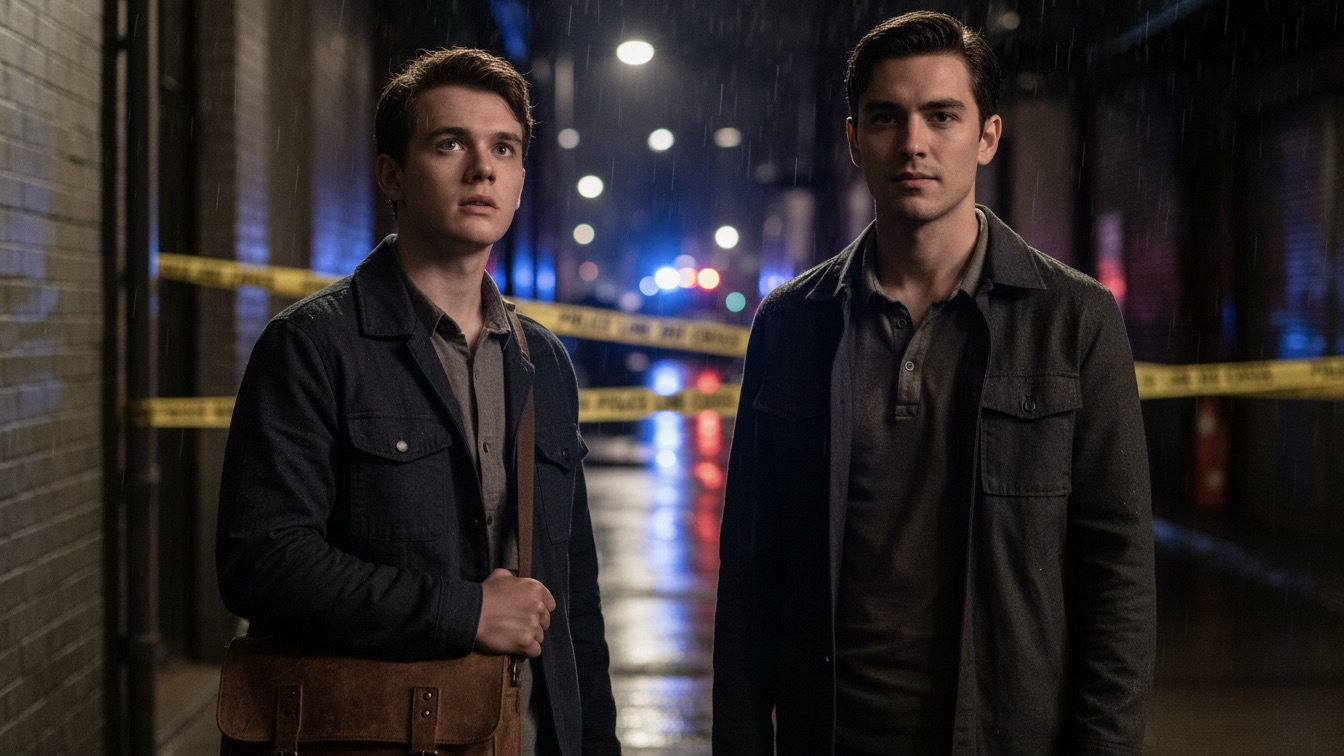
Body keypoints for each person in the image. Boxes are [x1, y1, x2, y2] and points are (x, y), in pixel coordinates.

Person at [713, 11, 1154, 756]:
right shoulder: (791, 325)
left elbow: (1118, 574)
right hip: (834, 735)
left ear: (986, 136)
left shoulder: (1074, 319)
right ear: (855, 140)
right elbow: (750, 577)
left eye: (942, 116)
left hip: (1006, 735)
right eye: (887, 118)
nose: (913, 143)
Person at [217, 47, 621, 756]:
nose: (482, 169)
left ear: (521, 178)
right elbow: (263, 563)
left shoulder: (543, 361)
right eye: (449, 144)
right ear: (391, 177)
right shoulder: (313, 345)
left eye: (504, 147)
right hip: (365, 735)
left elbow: (572, 592)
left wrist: (595, 742)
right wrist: (465, 613)